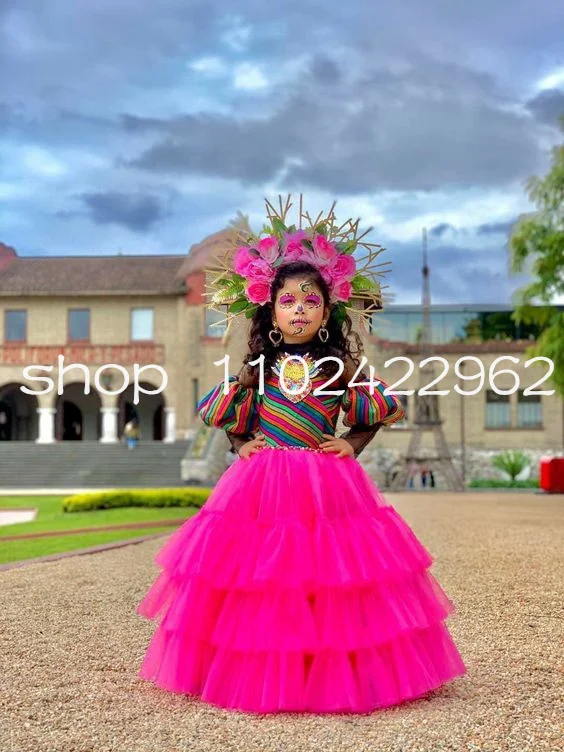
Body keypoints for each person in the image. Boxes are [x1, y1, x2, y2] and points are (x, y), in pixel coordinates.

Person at [136, 197, 467, 713]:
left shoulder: (338, 366)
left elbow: (374, 410)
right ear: (269, 311)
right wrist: (242, 444)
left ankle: (335, 668)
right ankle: (255, 666)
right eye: (287, 302)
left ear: (327, 311)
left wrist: (351, 444)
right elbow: (229, 415)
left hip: (326, 480)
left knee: (334, 575)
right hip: (262, 482)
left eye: (310, 301)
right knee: (260, 576)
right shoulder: (260, 367)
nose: (299, 310)